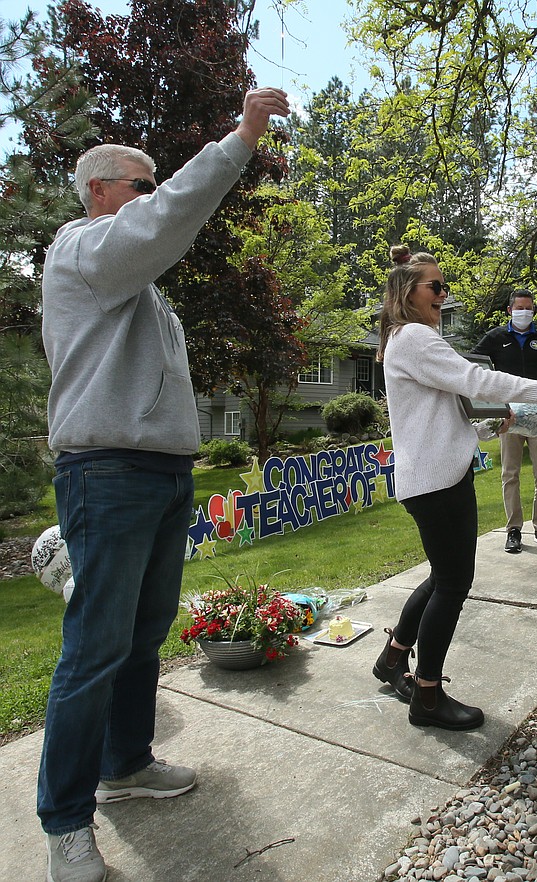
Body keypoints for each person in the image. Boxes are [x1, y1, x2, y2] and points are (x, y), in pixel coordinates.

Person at [37, 88, 291, 882]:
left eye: (151, 186)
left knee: (142, 634)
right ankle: (65, 822)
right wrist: (241, 138)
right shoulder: (83, 247)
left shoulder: (134, 284)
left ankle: (126, 763)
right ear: (101, 193)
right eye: (140, 186)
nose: (151, 198)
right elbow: (166, 218)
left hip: (158, 472)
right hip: (107, 472)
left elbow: (157, 231)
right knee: (95, 645)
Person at [370, 248, 537, 730]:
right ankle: (429, 699)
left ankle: (393, 659)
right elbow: (477, 378)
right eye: (435, 287)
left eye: (444, 286)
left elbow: (442, 411)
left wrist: (490, 425)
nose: (443, 294)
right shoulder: (414, 336)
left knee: (441, 577)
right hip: (438, 483)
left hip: (433, 477)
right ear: (406, 292)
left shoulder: (409, 340)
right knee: (453, 584)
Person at [471, 290, 537, 553]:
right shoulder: (496, 337)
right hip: (508, 417)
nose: (525, 312)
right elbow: (472, 365)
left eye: (529, 308)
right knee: (509, 473)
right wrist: (492, 398)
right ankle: (513, 530)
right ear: (509, 310)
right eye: (520, 308)